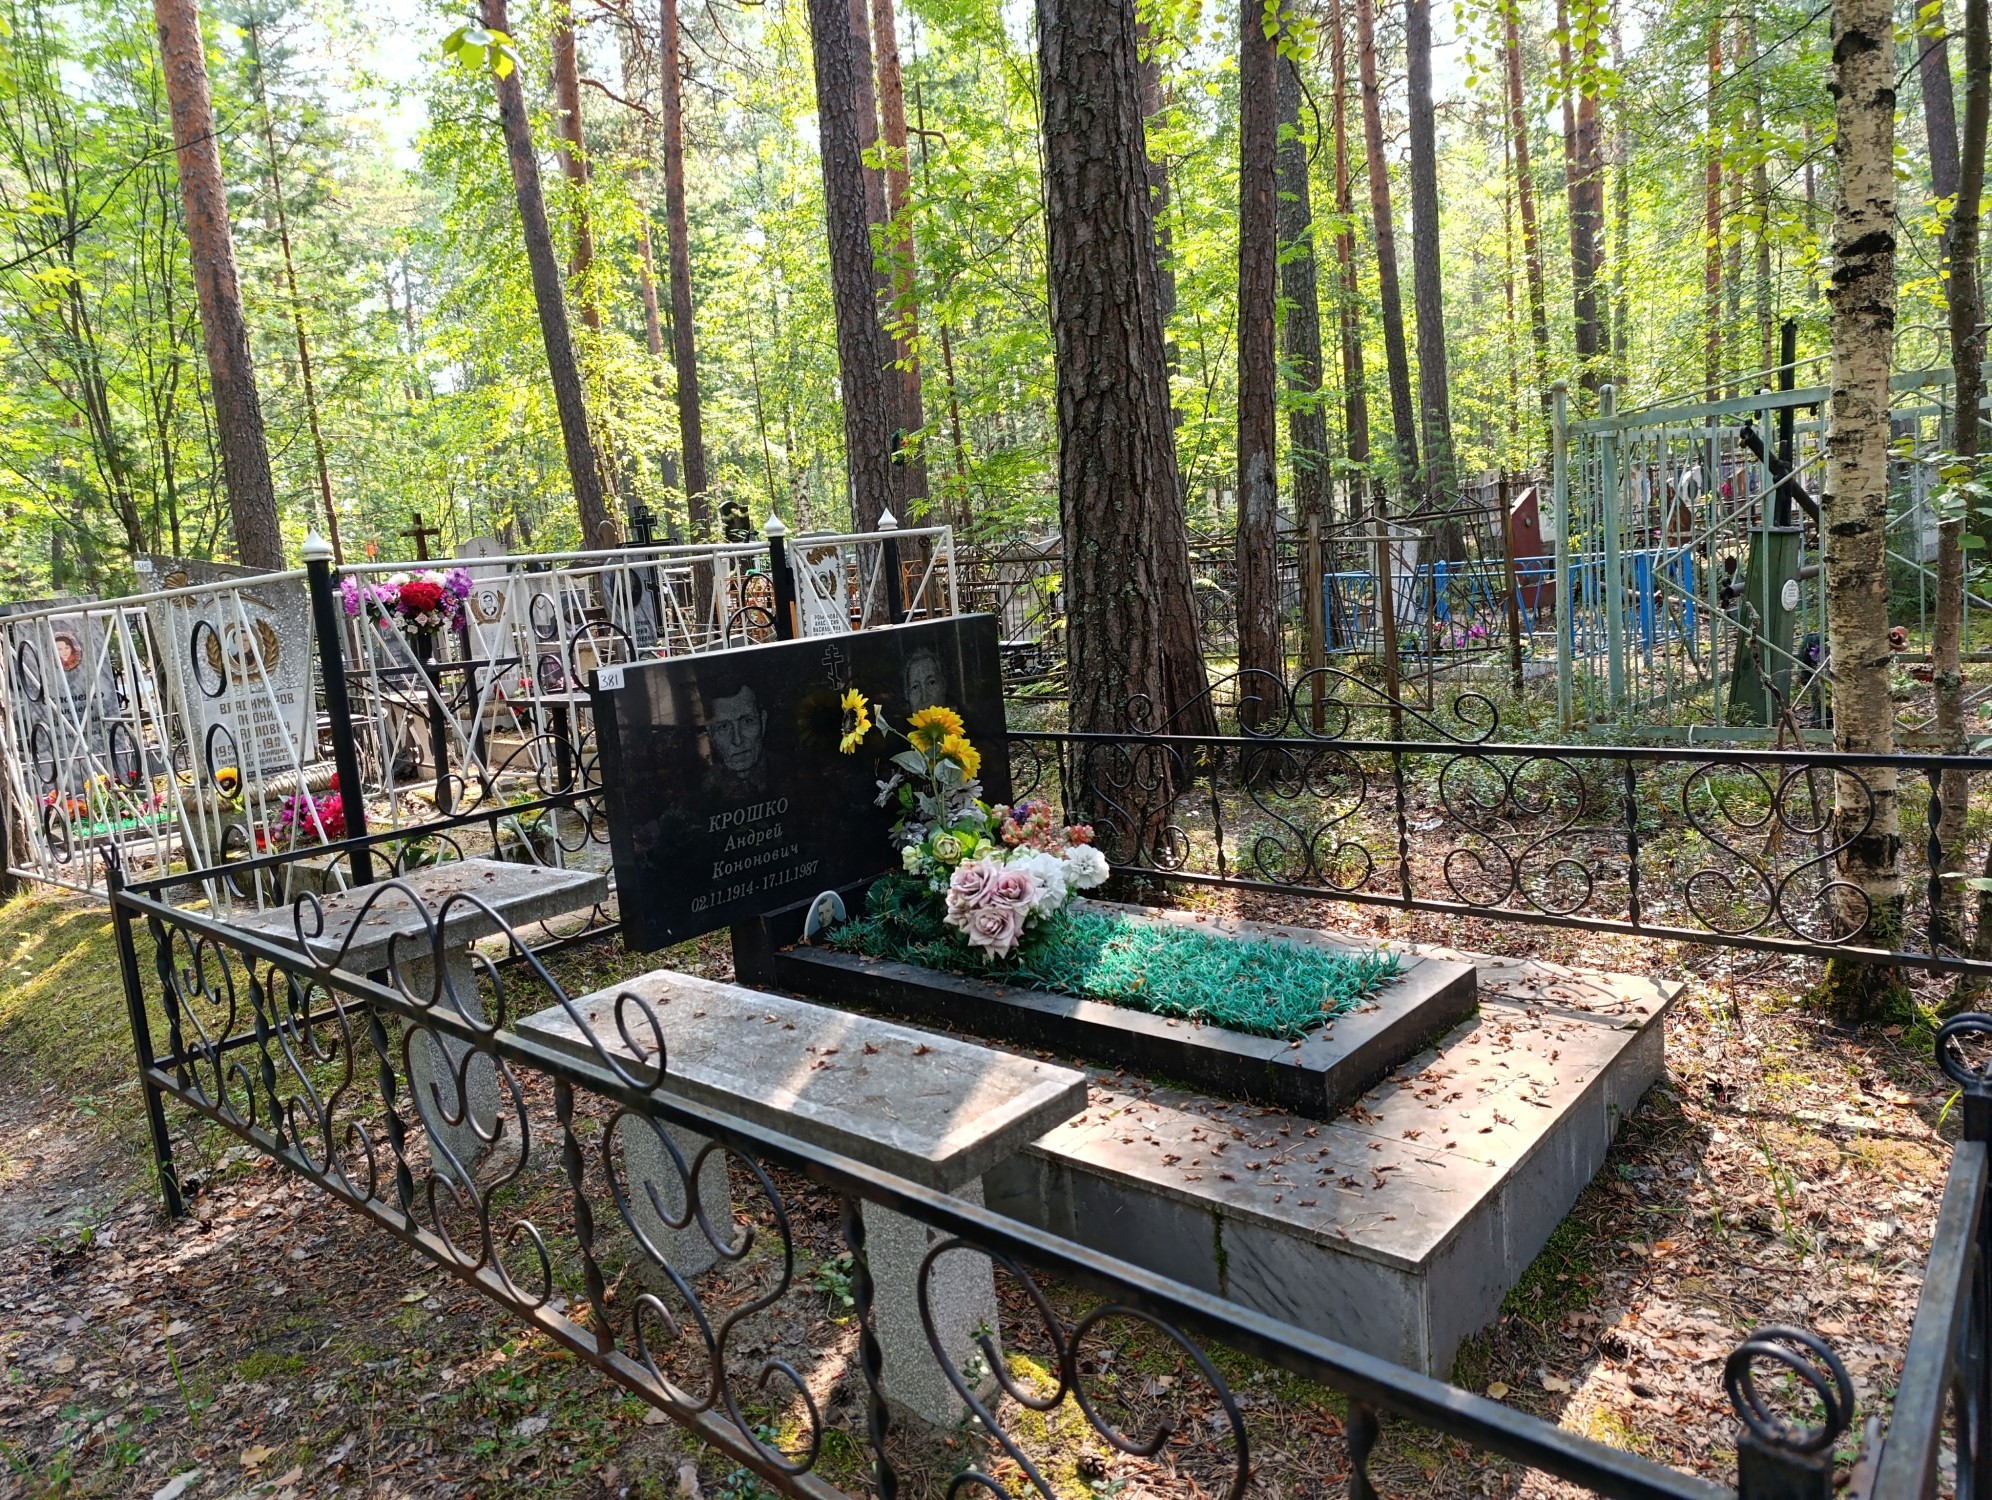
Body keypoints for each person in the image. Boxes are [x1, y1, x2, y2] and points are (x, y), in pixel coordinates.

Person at [705, 681, 768, 792]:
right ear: (711, 733)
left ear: (763, 722)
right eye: (723, 726)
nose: (738, 740)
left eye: (747, 721)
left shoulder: (794, 773)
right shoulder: (704, 787)